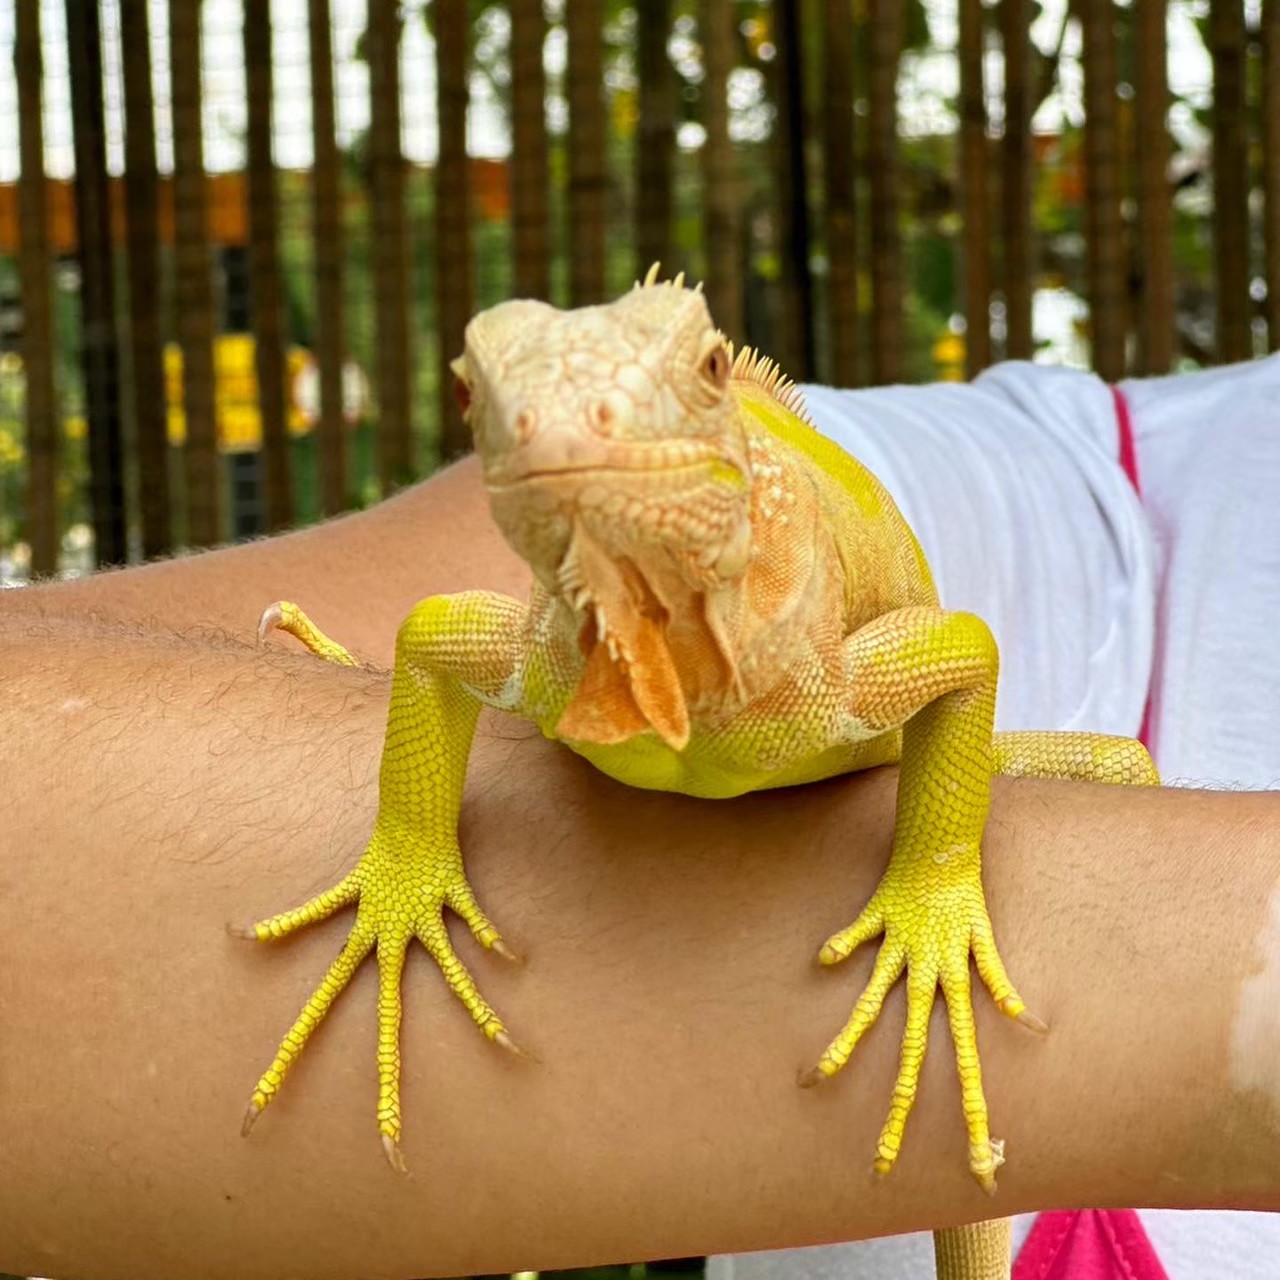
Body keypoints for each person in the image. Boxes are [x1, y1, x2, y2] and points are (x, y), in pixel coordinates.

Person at [0, 354, 1277, 1280]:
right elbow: (437, 638)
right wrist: (407, 844)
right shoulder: (1070, 495)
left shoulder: (817, 611)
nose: (567, 438)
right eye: (497, 408)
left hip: (884, 752)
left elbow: (953, 661)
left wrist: (942, 873)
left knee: (1104, 770)